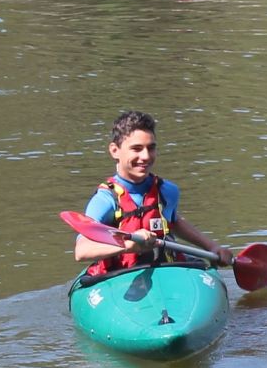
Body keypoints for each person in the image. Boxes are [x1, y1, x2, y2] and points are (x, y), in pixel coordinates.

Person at [74, 110, 233, 277]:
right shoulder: (105, 200)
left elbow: (174, 221)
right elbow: (82, 251)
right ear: (115, 151)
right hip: (121, 275)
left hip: (166, 270)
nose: (145, 156)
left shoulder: (167, 191)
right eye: (136, 149)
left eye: (151, 148)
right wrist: (129, 245)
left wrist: (212, 247)